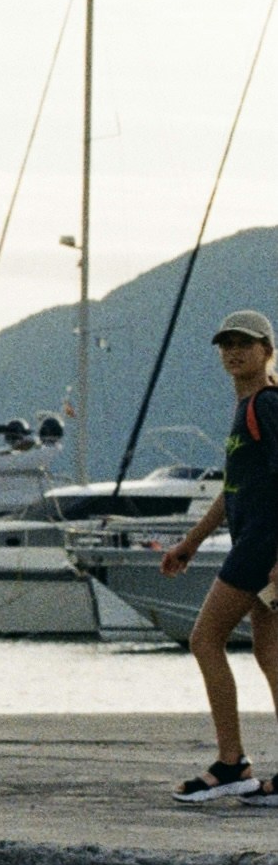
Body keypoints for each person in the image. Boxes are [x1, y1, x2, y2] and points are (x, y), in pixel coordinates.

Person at [159, 309, 278, 800]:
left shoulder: (267, 404)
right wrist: (191, 541)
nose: (234, 351)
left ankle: (232, 763)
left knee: (205, 638)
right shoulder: (245, 407)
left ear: (267, 351)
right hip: (250, 538)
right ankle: (241, 766)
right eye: (227, 344)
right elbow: (233, 492)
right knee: (271, 653)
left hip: (261, 546)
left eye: (245, 344)